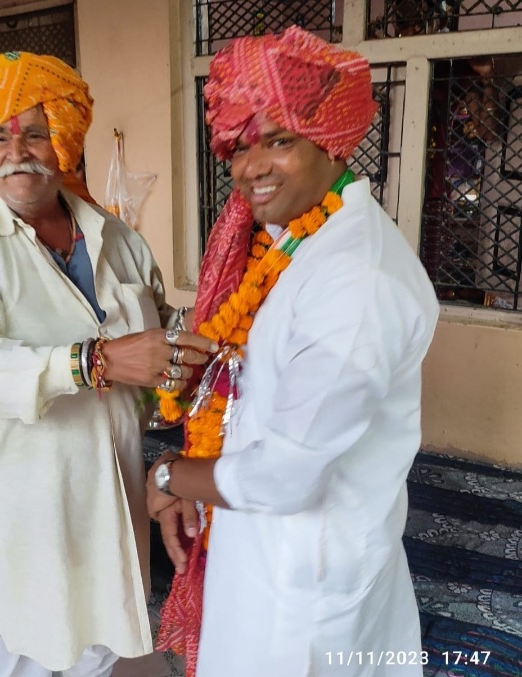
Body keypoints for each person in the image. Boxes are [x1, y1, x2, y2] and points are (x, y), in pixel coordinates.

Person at [146, 27, 440, 677]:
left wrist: (168, 476)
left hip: (303, 585)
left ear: (329, 139)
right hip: (265, 549)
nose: (251, 166)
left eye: (278, 140)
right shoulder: (297, 242)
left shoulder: (356, 280)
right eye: (238, 145)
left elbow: (284, 475)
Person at [0, 52, 216, 677]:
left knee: (99, 648)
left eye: (35, 133)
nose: (15, 152)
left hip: (111, 499)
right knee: (17, 652)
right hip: (17, 506)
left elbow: (157, 343)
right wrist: (95, 362)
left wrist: (180, 371)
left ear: (67, 143)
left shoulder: (119, 240)